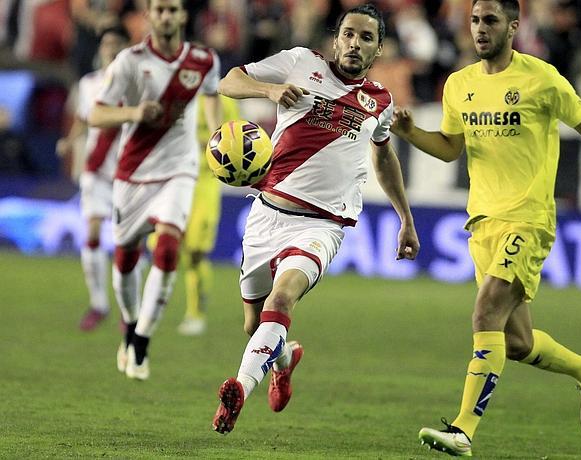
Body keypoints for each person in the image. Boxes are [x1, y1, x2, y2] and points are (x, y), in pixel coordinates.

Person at [391, 0, 581, 456]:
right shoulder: (459, 84)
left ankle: (462, 429)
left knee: (484, 313)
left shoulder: (542, 78)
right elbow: (452, 148)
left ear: (514, 27)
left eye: (490, 20)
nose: (479, 29)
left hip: (528, 218)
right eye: (474, 20)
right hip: (483, 222)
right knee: (515, 342)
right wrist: (413, 132)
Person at [211, 4, 420, 434]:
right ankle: (283, 362)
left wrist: (406, 218)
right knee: (254, 326)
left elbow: (383, 159)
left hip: (322, 226)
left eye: (366, 38)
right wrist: (269, 92)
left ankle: (237, 391)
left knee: (280, 300)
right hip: (268, 214)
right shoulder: (300, 63)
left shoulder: (380, 102)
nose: (354, 44)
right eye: (348, 34)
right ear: (335, 38)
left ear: (378, 48)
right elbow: (228, 81)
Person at [88, 0, 221, 380]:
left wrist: (215, 135)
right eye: (159, 9)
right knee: (126, 257)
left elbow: (211, 94)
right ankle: (131, 325)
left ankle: (142, 341)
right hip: (132, 173)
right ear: (148, 15)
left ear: (183, 16)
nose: (166, 16)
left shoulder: (203, 60)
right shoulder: (129, 61)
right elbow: (97, 113)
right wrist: (133, 113)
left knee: (167, 247)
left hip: (179, 170)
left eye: (173, 9)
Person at [56, 26, 130, 331]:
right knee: (94, 230)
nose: (109, 49)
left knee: (127, 240)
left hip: (126, 170)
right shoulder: (89, 84)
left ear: (126, 49)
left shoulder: (135, 83)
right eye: (105, 44)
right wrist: (69, 141)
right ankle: (99, 303)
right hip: (96, 168)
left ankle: (129, 310)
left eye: (115, 44)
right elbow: (85, 119)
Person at [175, 94, 240, 336]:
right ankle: (145, 310)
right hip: (173, 180)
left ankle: (196, 313)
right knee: (165, 248)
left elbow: (235, 141)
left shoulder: (224, 102)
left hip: (205, 183)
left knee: (195, 252)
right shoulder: (175, 92)